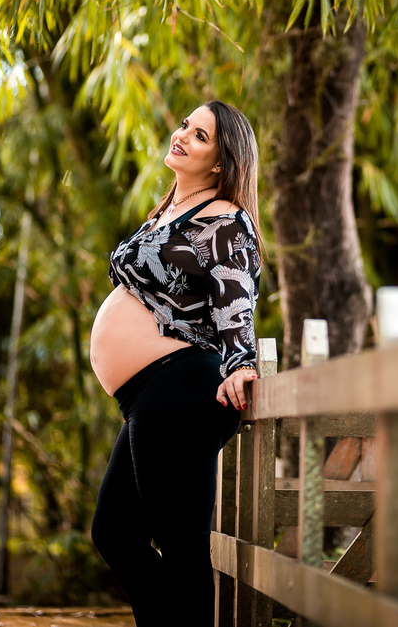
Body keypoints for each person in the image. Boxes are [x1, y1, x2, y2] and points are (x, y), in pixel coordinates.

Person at [89, 100, 265, 626]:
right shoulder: (175, 211)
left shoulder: (226, 220)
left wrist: (240, 362)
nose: (183, 134)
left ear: (221, 161)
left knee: (179, 544)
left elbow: (236, 297)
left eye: (201, 135)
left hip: (180, 387)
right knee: (115, 533)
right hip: (150, 396)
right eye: (186, 125)